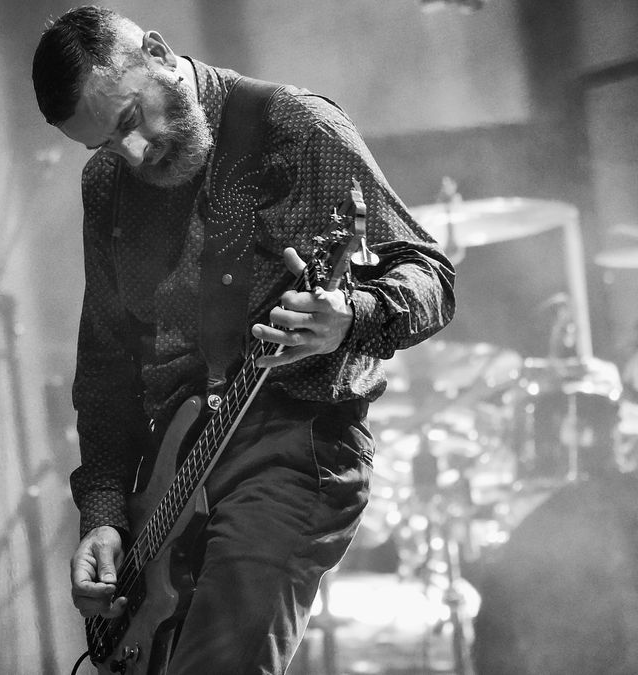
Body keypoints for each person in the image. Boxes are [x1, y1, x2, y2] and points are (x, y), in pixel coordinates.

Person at [31, 6, 455, 674]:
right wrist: (107, 514)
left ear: (159, 53)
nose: (134, 153)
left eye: (127, 120)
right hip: (169, 482)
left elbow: (430, 274)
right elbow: (107, 366)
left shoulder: (294, 128)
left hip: (291, 446)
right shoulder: (107, 186)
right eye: (106, 145)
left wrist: (352, 314)